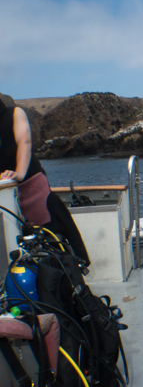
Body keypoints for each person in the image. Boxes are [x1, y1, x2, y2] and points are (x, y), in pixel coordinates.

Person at [0, 94, 89, 263]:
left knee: (47, 237)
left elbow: (24, 142)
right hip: (4, 195)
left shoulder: (14, 113)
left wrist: (19, 173)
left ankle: (66, 271)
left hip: (31, 187)